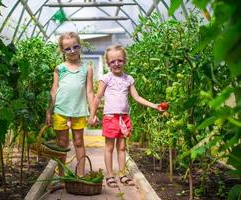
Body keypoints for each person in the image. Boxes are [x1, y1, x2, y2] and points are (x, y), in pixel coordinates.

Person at [88, 45, 164, 188]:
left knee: (122, 147)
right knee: (109, 147)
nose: (116, 64)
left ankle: (122, 174)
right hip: (110, 117)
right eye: (112, 62)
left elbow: (137, 97)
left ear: (125, 61)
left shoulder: (128, 79)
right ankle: (110, 175)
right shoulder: (106, 79)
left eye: (120, 60)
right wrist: (92, 115)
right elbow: (97, 98)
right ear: (108, 63)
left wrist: (155, 105)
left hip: (124, 119)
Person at [46, 32, 94, 178]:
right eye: (68, 48)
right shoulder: (59, 68)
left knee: (79, 141)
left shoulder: (87, 68)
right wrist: (49, 111)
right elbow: (54, 91)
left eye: (75, 47)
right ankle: (61, 176)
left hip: (78, 111)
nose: (72, 51)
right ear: (62, 50)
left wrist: (92, 113)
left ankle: (80, 174)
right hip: (60, 110)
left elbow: (90, 92)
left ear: (80, 46)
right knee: (62, 143)